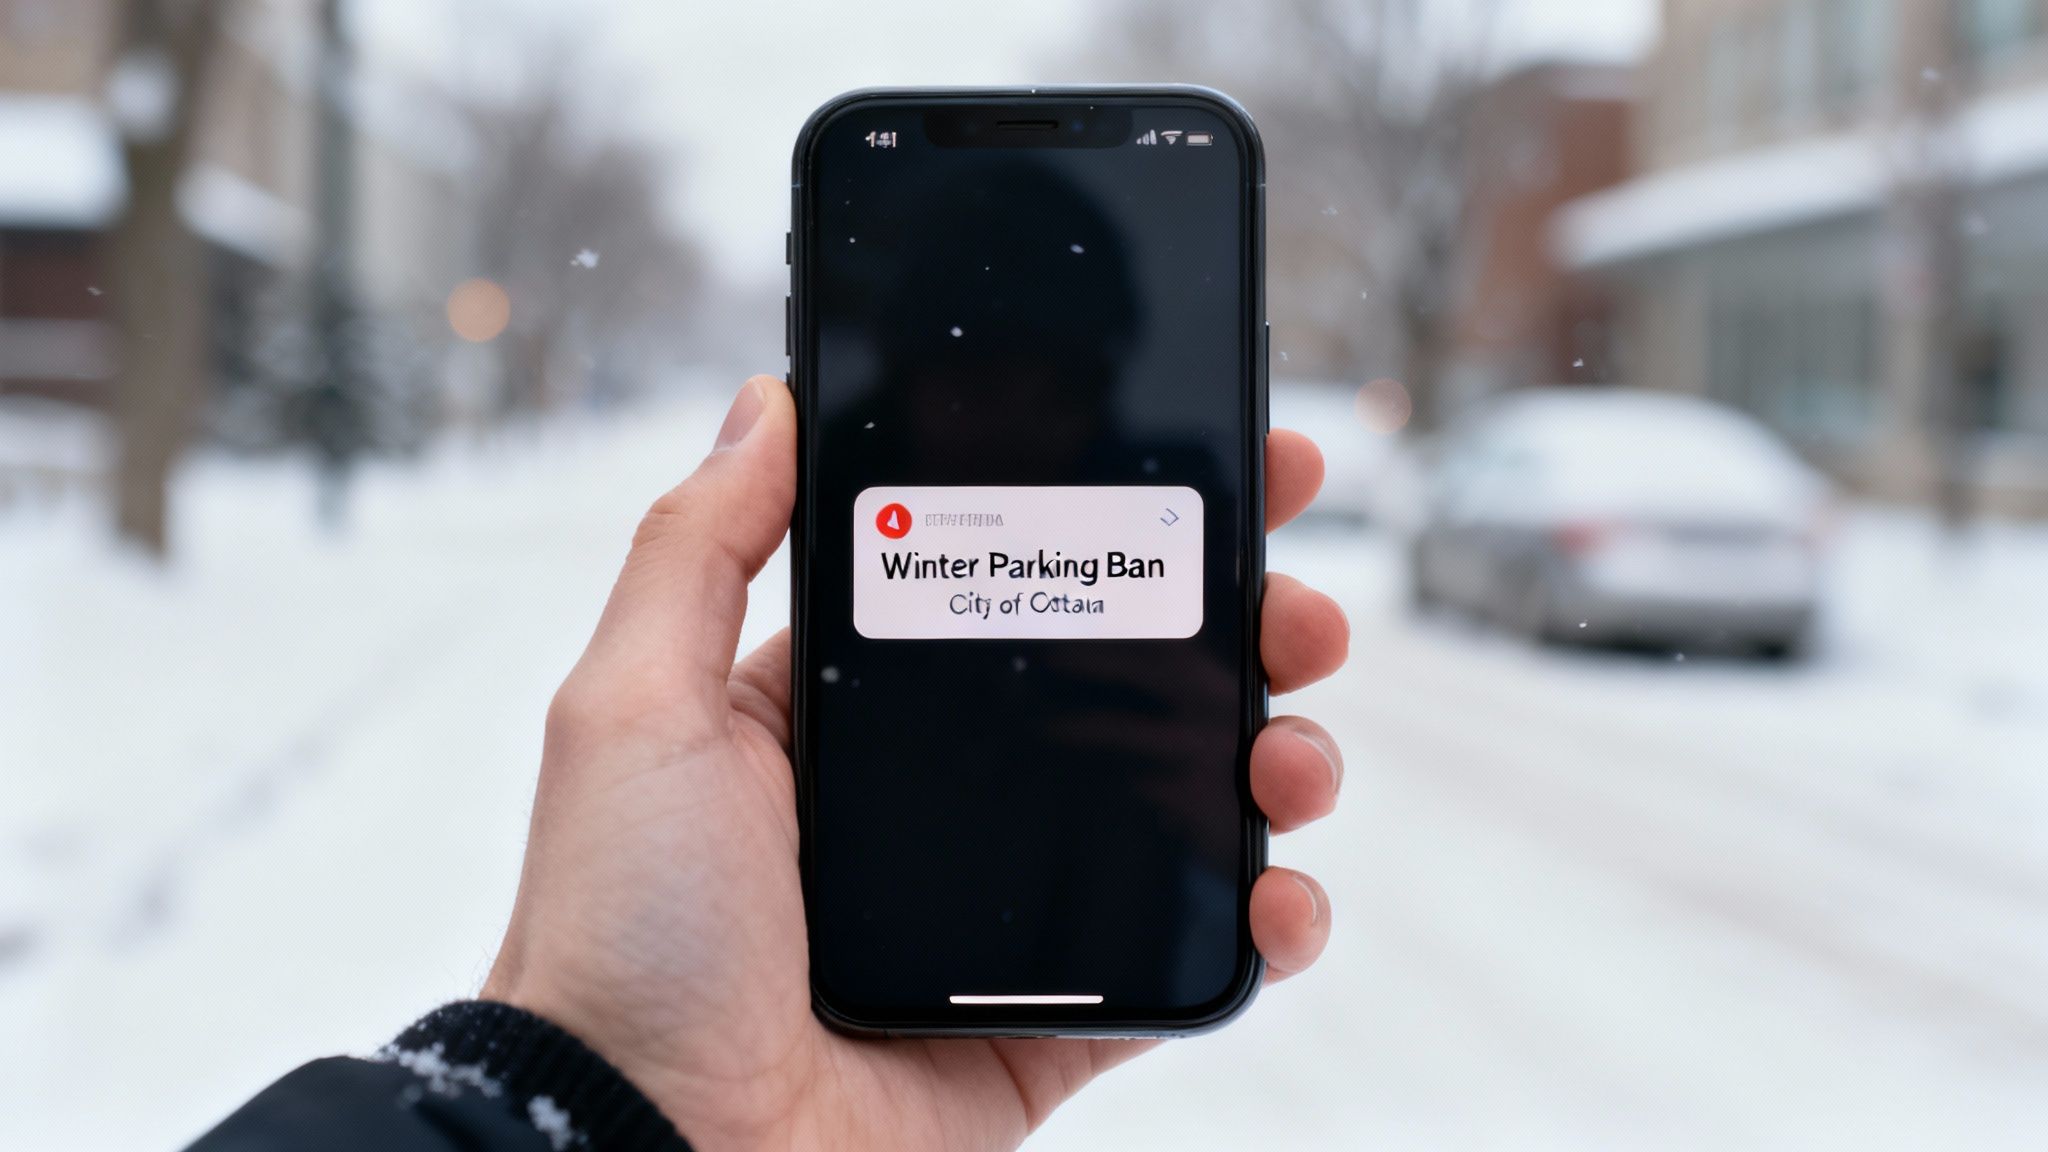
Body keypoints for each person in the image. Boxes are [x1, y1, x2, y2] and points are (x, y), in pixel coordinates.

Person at [189, 377, 1349, 1152]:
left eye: (1053, 378)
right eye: (973, 370)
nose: (1007, 417)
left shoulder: (1138, 540)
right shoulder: (878, 549)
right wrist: (628, 1078)